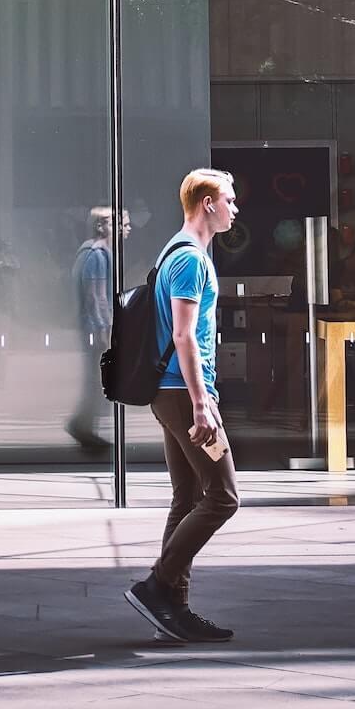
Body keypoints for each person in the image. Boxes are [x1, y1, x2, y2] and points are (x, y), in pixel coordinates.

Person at [124, 169, 239, 644]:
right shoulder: (191, 260)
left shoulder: (173, 250)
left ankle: (174, 608)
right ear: (208, 203)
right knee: (225, 496)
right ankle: (157, 586)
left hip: (168, 393)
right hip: (182, 394)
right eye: (230, 200)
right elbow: (184, 334)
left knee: (188, 498)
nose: (236, 209)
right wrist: (201, 402)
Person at [65, 206, 129, 450]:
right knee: (97, 381)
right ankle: (82, 426)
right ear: (101, 226)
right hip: (95, 328)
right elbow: (95, 297)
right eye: (119, 224)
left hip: (93, 326)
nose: (125, 229)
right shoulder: (96, 255)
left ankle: (84, 426)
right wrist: (105, 331)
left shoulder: (95, 253)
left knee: (96, 381)